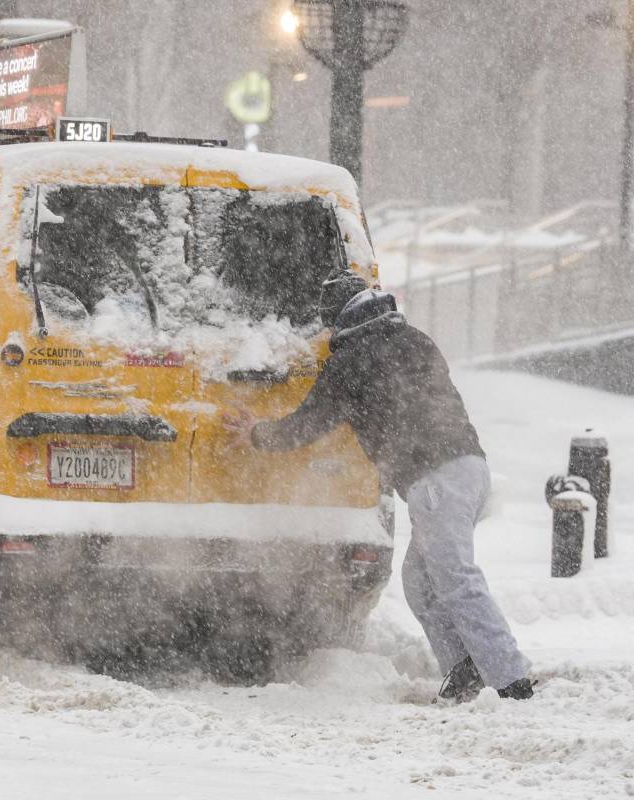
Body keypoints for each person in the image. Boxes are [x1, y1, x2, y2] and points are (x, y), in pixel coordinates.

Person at [224, 271, 534, 702]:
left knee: (455, 578)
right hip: (469, 467)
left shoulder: (353, 358)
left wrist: (258, 433)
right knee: (420, 582)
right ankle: (465, 669)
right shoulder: (413, 338)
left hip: (436, 479)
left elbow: (307, 424)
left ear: (339, 318)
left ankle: (510, 679)